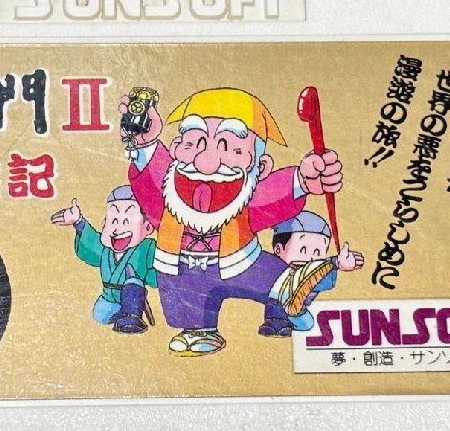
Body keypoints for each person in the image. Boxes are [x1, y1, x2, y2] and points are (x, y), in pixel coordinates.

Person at [122, 87, 344, 355]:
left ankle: (288, 292)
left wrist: (302, 181)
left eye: (230, 148)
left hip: (238, 260)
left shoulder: (245, 193)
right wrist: (144, 143)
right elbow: (152, 180)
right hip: (178, 267)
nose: (206, 162)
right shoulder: (171, 186)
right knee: (187, 302)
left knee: (270, 279)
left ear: (261, 166)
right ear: (176, 147)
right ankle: (197, 330)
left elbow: (270, 197)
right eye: (193, 143)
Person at [50, 186, 157, 333]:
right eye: (114, 220)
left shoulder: (146, 247)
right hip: (110, 297)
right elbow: (92, 244)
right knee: (100, 315)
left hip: (133, 298)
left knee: (133, 281)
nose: (117, 229)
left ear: (148, 227)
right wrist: (79, 222)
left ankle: (132, 317)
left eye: (127, 221)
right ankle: (121, 315)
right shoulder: (105, 249)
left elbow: (156, 271)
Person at [267, 212, 364, 333]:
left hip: (297, 312)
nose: (311, 257)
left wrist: (336, 263)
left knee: (307, 323)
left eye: (318, 252)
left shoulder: (318, 271)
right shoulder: (272, 267)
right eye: (303, 250)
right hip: (275, 306)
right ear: (278, 249)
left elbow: (321, 274)